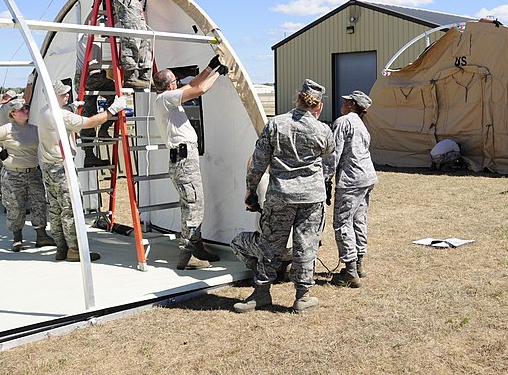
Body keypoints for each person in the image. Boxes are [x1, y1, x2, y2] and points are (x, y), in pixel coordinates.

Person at [234, 79, 334, 314]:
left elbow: (258, 162)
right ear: (318, 106)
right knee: (306, 245)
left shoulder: (275, 124)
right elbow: (328, 155)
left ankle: (261, 293)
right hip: (311, 198)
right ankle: (302, 296)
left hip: (281, 196)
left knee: (270, 244)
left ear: (297, 98)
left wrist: (251, 190)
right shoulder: (323, 130)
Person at [38, 81, 127, 262]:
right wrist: (113, 109)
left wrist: (70, 107)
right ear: (54, 96)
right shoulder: (59, 115)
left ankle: (61, 248)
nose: (67, 96)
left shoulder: (44, 111)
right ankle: (75, 250)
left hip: (49, 167)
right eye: (63, 94)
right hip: (62, 168)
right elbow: (89, 123)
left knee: (56, 210)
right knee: (71, 209)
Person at [153, 57, 227, 270]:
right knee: (194, 207)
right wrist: (218, 74)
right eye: (175, 81)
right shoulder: (166, 98)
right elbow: (200, 89)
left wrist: (210, 67)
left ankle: (197, 246)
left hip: (182, 159)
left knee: (190, 205)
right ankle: (187, 255)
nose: (178, 83)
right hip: (184, 161)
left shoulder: (165, 98)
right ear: (170, 85)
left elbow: (192, 86)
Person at [0, 98, 54, 252]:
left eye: (26, 108)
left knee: (39, 204)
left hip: (33, 173)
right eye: (22, 109)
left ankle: (41, 236)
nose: (26, 111)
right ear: (13, 113)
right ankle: (17, 238)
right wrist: (0, 152)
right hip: (13, 175)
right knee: (15, 206)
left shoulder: (35, 129)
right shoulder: (7, 129)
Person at [328, 90, 377, 288]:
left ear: (353, 105)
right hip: (366, 178)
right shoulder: (361, 125)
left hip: (351, 180)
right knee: (359, 220)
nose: (344, 103)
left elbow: (334, 154)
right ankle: (358, 264)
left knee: (342, 222)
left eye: (347, 101)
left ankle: (349, 271)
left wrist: (325, 179)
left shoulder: (343, 122)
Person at [74, 34, 116, 168]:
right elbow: (89, 22)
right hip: (90, 77)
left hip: (84, 79)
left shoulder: (94, 38)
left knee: (88, 113)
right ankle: (104, 129)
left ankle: (89, 155)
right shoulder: (88, 36)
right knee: (116, 94)